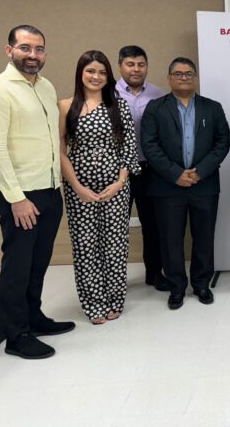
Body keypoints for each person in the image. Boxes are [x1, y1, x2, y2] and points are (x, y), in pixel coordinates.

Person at [0, 25, 75, 359]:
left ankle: (34, 316)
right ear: (9, 50)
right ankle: (16, 334)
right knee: (18, 265)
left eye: (39, 49)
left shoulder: (46, 87)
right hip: (20, 194)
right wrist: (16, 198)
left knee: (39, 261)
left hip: (49, 189)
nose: (33, 55)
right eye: (26, 48)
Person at [141, 57, 230, 310]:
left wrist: (200, 172)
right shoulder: (155, 108)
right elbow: (149, 145)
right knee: (171, 240)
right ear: (169, 78)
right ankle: (176, 287)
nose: (183, 77)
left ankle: (201, 284)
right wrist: (175, 173)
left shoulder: (212, 108)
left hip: (205, 184)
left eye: (189, 73)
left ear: (196, 78)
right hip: (167, 185)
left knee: (204, 237)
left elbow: (222, 142)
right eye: (178, 74)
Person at [59, 50, 140, 324]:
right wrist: (76, 186)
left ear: (109, 76)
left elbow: (129, 146)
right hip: (78, 186)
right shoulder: (65, 106)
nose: (96, 77)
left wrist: (120, 182)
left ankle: (115, 299)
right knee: (85, 245)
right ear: (80, 73)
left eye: (102, 72)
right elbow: (60, 150)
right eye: (90, 71)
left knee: (115, 244)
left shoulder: (119, 106)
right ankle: (94, 304)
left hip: (115, 185)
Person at [115, 45, 167, 291]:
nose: (136, 69)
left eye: (141, 65)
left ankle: (155, 274)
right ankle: (114, 279)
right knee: (115, 226)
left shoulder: (158, 95)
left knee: (153, 224)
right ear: (120, 66)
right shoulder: (107, 94)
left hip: (149, 169)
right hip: (116, 172)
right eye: (130, 64)